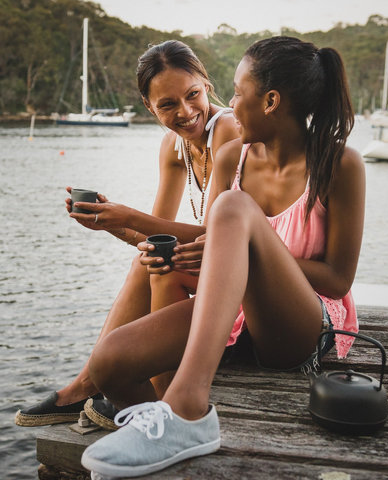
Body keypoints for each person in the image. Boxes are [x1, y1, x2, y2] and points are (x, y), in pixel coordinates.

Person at [80, 35, 365, 477]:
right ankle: (162, 430)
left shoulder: (339, 163)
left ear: (270, 100)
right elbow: (211, 238)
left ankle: (187, 406)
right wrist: (122, 221)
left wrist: (249, 258)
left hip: (302, 326)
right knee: (109, 363)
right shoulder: (234, 156)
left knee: (232, 208)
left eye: (236, 91)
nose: (227, 103)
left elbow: (337, 280)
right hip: (237, 317)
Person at [14, 40, 239, 428]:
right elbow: (152, 237)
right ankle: (91, 382)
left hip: (247, 279)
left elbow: (211, 235)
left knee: (154, 263)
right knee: (147, 259)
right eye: (167, 105)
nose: (185, 113)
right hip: (220, 266)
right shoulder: (174, 147)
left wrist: (129, 215)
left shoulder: (228, 129)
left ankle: (103, 387)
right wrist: (112, 223)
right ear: (149, 107)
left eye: (192, 95)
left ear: (207, 84)